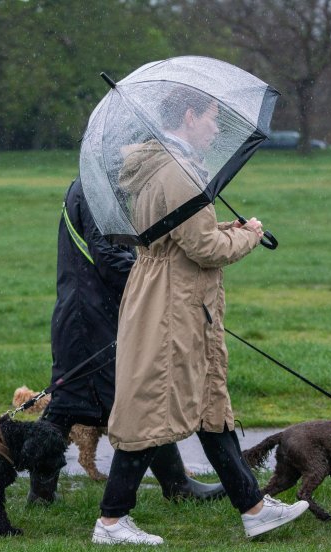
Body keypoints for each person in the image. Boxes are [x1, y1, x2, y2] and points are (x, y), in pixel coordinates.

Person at [91, 87, 309, 545]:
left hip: (173, 295)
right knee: (153, 406)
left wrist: (223, 227)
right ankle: (112, 521)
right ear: (188, 117)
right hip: (173, 303)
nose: (215, 128)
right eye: (211, 118)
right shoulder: (178, 171)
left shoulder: (162, 165)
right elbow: (204, 248)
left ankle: (252, 508)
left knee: (210, 406)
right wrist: (249, 235)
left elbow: (178, 233)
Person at [27, 178, 226, 506]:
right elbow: (108, 256)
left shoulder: (101, 187)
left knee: (110, 395)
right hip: (87, 317)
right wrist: (155, 286)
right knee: (95, 400)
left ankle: (175, 484)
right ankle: (173, 485)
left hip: (96, 309)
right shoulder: (96, 190)